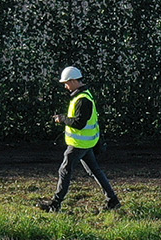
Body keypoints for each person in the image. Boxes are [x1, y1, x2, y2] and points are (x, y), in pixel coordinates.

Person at [39, 66, 120, 212]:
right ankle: (113, 200)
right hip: (86, 143)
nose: (65, 86)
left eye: (67, 82)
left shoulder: (83, 100)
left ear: (75, 81)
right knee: (95, 170)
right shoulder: (83, 96)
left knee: (64, 171)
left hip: (79, 144)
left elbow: (79, 123)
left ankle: (55, 204)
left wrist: (62, 119)